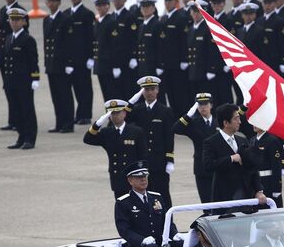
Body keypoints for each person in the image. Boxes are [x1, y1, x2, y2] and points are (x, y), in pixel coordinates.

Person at [202, 104, 267, 205]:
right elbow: (208, 165)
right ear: (226, 123)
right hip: (225, 196)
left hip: (246, 194)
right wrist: (231, 158)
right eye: (236, 119)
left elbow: (253, 167)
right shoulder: (211, 142)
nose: (240, 122)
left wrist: (258, 191)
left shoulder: (243, 140)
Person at [126, 76, 175, 207]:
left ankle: (168, 224)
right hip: (142, 161)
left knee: (162, 194)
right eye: (146, 89)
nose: (150, 92)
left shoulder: (165, 111)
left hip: (159, 160)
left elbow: (169, 137)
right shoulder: (137, 109)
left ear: (157, 90)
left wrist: (170, 159)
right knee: (144, 195)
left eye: (152, 89)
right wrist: (131, 102)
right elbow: (123, 116)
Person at [83, 99, 147, 198]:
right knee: (121, 206)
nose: (115, 115)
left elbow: (142, 155)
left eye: (118, 112)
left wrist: (142, 176)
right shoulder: (106, 133)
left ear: (124, 113)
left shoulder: (136, 131)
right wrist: (97, 124)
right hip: (117, 176)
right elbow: (87, 139)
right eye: (112, 113)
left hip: (134, 176)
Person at [114, 160, 176, 247]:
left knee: (183, 243)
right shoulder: (123, 203)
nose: (143, 179)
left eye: (145, 176)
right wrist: (142, 240)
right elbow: (124, 230)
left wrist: (175, 235)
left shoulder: (157, 197)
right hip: (137, 246)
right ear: (130, 180)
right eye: (139, 177)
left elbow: (167, 222)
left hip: (160, 242)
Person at [3, 8, 40, 150]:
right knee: (16, 110)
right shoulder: (8, 38)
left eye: (17, 20)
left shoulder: (27, 39)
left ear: (24, 22)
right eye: (12, 20)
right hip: (11, 82)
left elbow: (33, 60)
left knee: (27, 110)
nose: (14, 22)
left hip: (24, 82)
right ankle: (21, 136)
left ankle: (30, 138)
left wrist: (35, 78)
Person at [172, 93, 218, 203]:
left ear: (211, 105)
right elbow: (176, 129)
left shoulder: (219, 122)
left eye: (205, 104)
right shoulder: (194, 122)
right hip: (201, 166)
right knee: (206, 201)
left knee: (219, 199)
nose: (203, 107)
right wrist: (188, 115)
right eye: (199, 104)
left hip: (217, 165)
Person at [43, 0, 74, 134]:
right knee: (55, 95)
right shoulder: (46, 20)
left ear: (59, 3)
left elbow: (69, 43)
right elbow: (46, 43)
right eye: (49, 1)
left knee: (65, 95)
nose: (51, 3)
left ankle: (68, 123)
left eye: (54, 1)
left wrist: (69, 63)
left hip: (62, 65)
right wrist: (46, 63)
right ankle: (59, 122)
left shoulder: (65, 19)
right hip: (51, 64)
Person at [0, 0, 28, 131]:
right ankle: (12, 119)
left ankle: (19, 120)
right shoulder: (3, 10)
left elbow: (24, 36)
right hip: (4, 55)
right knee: (8, 89)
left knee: (16, 90)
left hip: (15, 57)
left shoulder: (21, 11)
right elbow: (2, 35)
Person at [63, 0, 95, 125]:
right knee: (74, 87)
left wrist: (91, 57)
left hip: (83, 59)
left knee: (84, 87)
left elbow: (91, 37)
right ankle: (78, 114)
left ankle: (85, 114)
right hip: (70, 59)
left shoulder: (87, 14)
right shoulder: (65, 14)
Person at [158, 0, 191, 117]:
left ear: (176, 2)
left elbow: (184, 40)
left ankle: (182, 116)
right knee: (170, 92)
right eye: (166, 1)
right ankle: (175, 115)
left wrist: (184, 59)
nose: (167, 3)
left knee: (179, 92)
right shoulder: (164, 18)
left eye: (170, 0)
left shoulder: (181, 17)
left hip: (178, 63)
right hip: (167, 63)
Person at [109, 0, 140, 101]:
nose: (117, 1)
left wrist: (133, 56)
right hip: (114, 61)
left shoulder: (129, 16)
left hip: (126, 60)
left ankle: (130, 118)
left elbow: (134, 38)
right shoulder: (112, 16)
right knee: (115, 91)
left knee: (127, 90)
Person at [250, 126, 284, 208]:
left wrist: (276, 188)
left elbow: (276, 165)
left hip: (268, 183)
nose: (254, 125)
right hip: (256, 183)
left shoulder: (272, 140)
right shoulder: (252, 140)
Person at [186, 0, 216, 99]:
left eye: (198, 11)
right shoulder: (191, 29)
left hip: (204, 71)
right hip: (193, 70)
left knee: (206, 99)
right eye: (193, 11)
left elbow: (211, 50)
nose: (195, 14)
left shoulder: (207, 28)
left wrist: (211, 69)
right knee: (195, 98)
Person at [208, 0, 234, 105]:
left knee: (226, 97)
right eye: (214, 4)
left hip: (224, 66)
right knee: (215, 98)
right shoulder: (210, 20)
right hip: (213, 66)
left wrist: (227, 63)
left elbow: (231, 44)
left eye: (218, 3)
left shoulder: (228, 20)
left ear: (223, 4)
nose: (216, 6)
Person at [91, 0, 117, 101]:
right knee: (105, 93)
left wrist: (116, 65)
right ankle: (109, 115)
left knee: (112, 92)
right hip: (100, 63)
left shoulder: (111, 21)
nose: (101, 8)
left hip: (108, 64)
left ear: (108, 6)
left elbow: (115, 45)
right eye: (98, 5)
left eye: (103, 5)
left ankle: (114, 116)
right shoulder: (97, 22)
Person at [257, 0, 284, 74]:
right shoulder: (259, 20)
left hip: (273, 60)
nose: (267, 6)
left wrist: (283, 61)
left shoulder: (279, 21)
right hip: (260, 59)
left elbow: (283, 43)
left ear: (275, 4)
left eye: (270, 3)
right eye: (265, 3)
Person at [135, 0, 162, 79]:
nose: (145, 9)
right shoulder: (142, 25)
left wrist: (160, 65)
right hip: (143, 65)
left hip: (153, 66)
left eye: (148, 6)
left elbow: (161, 46)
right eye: (143, 7)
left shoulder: (157, 24)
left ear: (153, 8)